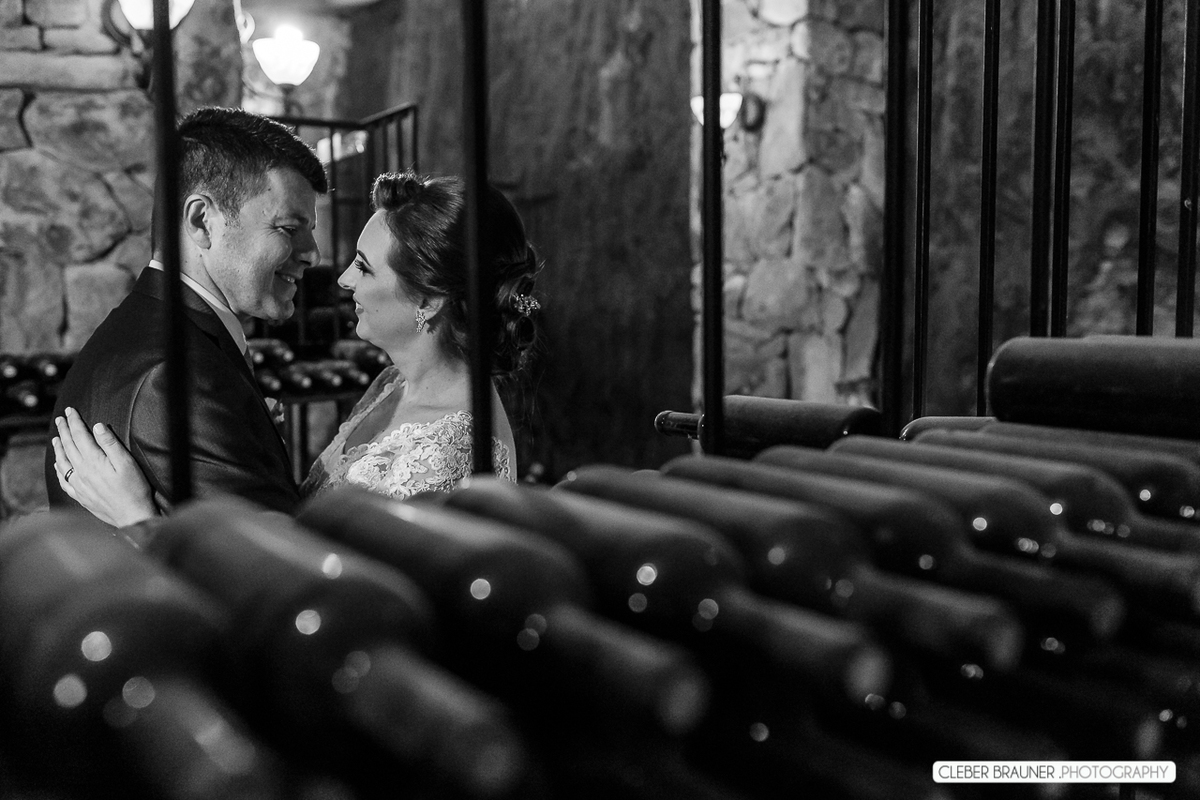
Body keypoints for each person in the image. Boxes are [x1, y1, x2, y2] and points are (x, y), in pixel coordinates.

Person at [51, 169, 541, 528]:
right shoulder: (392, 384)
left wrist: (137, 520)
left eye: (365, 268)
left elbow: (348, 601)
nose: (344, 279)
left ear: (430, 301)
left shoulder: (453, 446)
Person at [44, 106, 328, 518]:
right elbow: (267, 570)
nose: (312, 255)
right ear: (201, 221)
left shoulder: (145, 330)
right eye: (288, 228)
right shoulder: (176, 378)